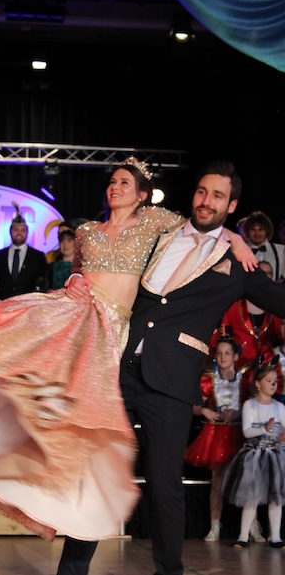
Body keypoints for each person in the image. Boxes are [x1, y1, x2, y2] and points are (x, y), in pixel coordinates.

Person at [0, 159, 253, 551]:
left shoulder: (156, 222)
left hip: (115, 332)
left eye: (125, 183)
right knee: (12, 351)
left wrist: (236, 238)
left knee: (87, 431)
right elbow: (79, 269)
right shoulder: (86, 231)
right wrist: (72, 277)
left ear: (142, 194)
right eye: (113, 181)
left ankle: (83, 514)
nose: (115, 187)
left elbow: (202, 226)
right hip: (78, 317)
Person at [62, 159, 285, 575]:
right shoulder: (158, 235)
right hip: (119, 370)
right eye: (202, 191)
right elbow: (111, 259)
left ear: (231, 205)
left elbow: (279, 300)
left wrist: (234, 239)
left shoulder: (237, 262)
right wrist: (77, 277)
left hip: (171, 383)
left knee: (165, 486)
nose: (206, 201)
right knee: (97, 476)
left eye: (217, 196)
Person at [184, 336, 244, 542]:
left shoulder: (245, 379)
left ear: (235, 356)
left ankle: (251, 525)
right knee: (217, 479)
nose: (223, 357)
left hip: (239, 432)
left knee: (246, 478)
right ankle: (215, 525)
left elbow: (254, 402)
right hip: (216, 433)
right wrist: (204, 411)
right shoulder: (209, 380)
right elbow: (195, 406)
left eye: (227, 353)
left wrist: (239, 413)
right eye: (219, 353)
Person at [222, 360, 285, 549]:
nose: (273, 384)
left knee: (276, 496)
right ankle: (243, 535)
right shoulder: (250, 405)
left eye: (275, 381)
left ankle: (276, 536)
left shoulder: (280, 407)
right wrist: (264, 429)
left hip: (275, 455)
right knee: (251, 496)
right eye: (268, 380)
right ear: (257, 383)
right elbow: (247, 431)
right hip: (255, 455)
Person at [210, 260, 283, 402]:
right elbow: (224, 333)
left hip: (267, 369)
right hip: (238, 367)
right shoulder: (235, 305)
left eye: (269, 274)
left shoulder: (276, 308)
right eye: (262, 273)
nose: (265, 277)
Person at [0, 207, 47, 303]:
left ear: (27, 233)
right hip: (3, 305)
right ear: (10, 231)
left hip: (28, 305)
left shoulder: (37, 256)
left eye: (23, 230)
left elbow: (44, 283)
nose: (19, 233)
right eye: (16, 229)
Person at [243, 210, 285, 282]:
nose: (257, 234)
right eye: (253, 230)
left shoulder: (281, 250)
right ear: (247, 231)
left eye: (261, 229)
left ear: (267, 230)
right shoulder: (241, 252)